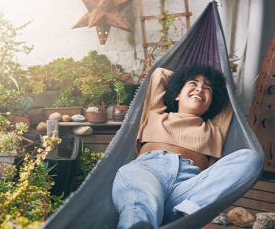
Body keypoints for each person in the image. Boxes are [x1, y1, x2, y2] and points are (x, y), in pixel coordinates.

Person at [112, 65, 263, 229]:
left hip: (186, 190)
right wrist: (187, 77)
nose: (200, 89)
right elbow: (159, 74)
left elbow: (227, 95)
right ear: (177, 94)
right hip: (148, 171)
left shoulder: (215, 129)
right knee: (142, 201)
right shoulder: (157, 114)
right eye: (193, 83)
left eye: (207, 88)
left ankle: (189, 212)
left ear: (212, 102)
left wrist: (211, 82)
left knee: (251, 158)